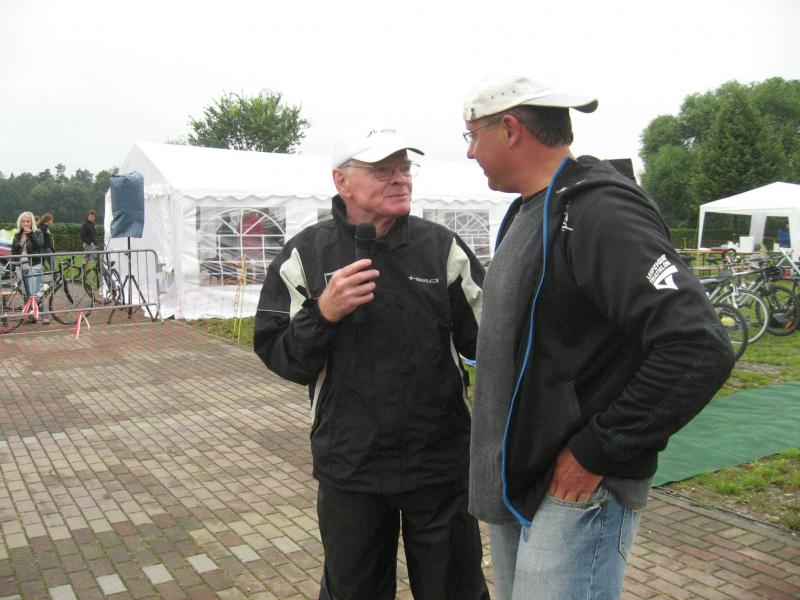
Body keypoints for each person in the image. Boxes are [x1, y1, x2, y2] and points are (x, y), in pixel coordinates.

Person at [462, 75, 736, 600]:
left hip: (574, 487)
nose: (471, 152)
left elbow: (698, 344)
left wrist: (597, 449)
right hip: (524, 479)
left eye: (473, 136)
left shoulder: (599, 212)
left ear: (511, 130)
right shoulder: (532, 209)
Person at [254, 129, 489, 600]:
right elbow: (281, 354)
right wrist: (324, 312)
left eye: (405, 168)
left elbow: (490, 341)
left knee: (455, 590)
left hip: (438, 463)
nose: (400, 179)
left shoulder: (441, 248)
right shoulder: (306, 253)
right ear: (341, 181)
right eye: (383, 170)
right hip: (350, 465)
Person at [11, 211, 48, 324]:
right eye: (23, 221)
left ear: (32, 222)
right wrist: (21, 242)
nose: (25, 223)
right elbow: (14, 251)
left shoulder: (38, 232)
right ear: (20, 223)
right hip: (21, 267)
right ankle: (30, 315)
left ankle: (42, 315)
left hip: (33, 266)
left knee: (33, 293)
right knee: (26, 294)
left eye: (28, 221)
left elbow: (39, 246)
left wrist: (31, 234)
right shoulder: (17, 235)